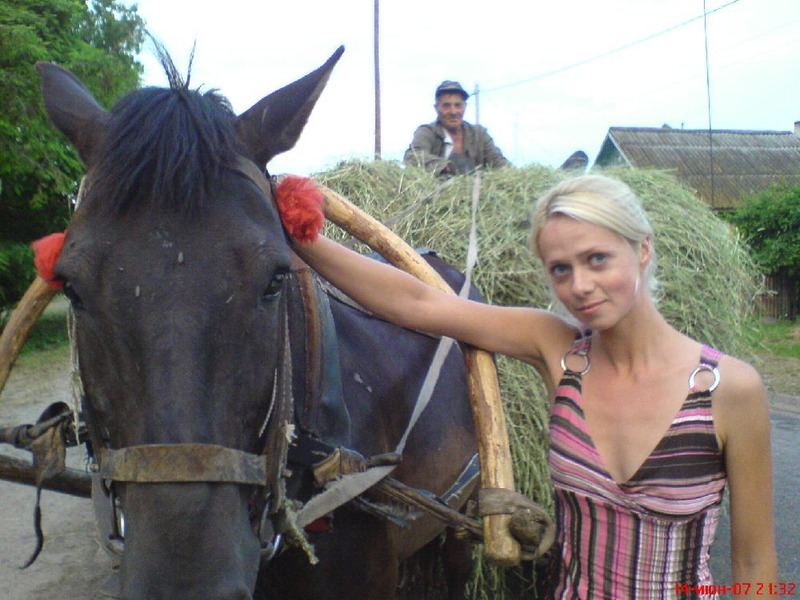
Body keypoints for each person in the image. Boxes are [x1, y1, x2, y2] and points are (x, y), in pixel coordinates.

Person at [290, 174, 778, 598]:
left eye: (598, 259)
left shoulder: (729, 389)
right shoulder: (559, 351)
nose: (580, 286)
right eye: (561, 269)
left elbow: (756, 568)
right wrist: (300, 233)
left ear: (643, 249)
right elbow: (418, 302)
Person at [403, 80, 510, 176]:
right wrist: (447, 167)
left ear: (465, 107)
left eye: (458, 105)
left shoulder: (479, 134)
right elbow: (413, 157)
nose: (453, 112)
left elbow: (498, 162)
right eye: (446, 106)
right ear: (436, 108)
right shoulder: (427, 132)